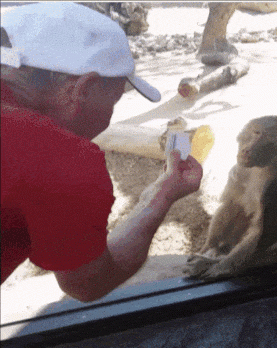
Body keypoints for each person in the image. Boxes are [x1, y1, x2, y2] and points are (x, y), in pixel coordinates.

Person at [1, 2, 203, 302]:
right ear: (83, 88)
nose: (110, 115)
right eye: (115, 99)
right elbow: (88, 283)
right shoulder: (63, 160)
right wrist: (162, 195)